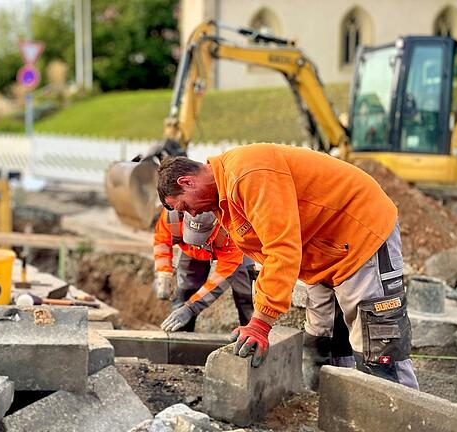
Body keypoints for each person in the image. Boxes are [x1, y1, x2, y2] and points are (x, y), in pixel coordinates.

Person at [156, 143, 418, 390]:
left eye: (184, 206)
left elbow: (281, 248)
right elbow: (267, 259)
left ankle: (399, 418)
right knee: (321, 342)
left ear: (187, 182)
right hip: (322, 253)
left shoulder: (248, 173)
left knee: (377, 348)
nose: (190, 214)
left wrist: (261, 322)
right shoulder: (224, 203)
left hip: (360, 234)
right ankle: (337, 408)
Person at [153, 209, 254, 332]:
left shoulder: (233, 229)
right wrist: (163, 272)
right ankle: (180, 337)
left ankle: (251, 334)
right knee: (185, 292)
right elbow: (161, 241)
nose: (198, 245)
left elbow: (221, 279)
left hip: (231, 250)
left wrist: (191, 307)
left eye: (201, 237)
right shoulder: (173, 214)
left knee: (244, 294)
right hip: (190, 252)